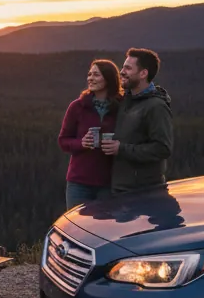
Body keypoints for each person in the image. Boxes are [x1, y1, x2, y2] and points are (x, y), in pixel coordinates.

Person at [102, 48, 173, 194]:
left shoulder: (156, 106)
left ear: (143, 73)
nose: (122, 72)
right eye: (123, 67)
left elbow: (162, 148)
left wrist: (121, 149)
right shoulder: (126, 102)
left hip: (144, 193)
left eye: (128, 68)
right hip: (121, 189)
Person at [57, 59, 122, 209]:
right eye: (89, 74)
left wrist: (118, 146)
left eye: (96, 75)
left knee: (105, 230)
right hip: (79, 184)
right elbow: (63, 141)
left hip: (109, 183)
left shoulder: (121, 106)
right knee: (78, 229)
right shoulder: (77, 107)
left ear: (109, 78)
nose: (90, 78)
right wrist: (82, 143)